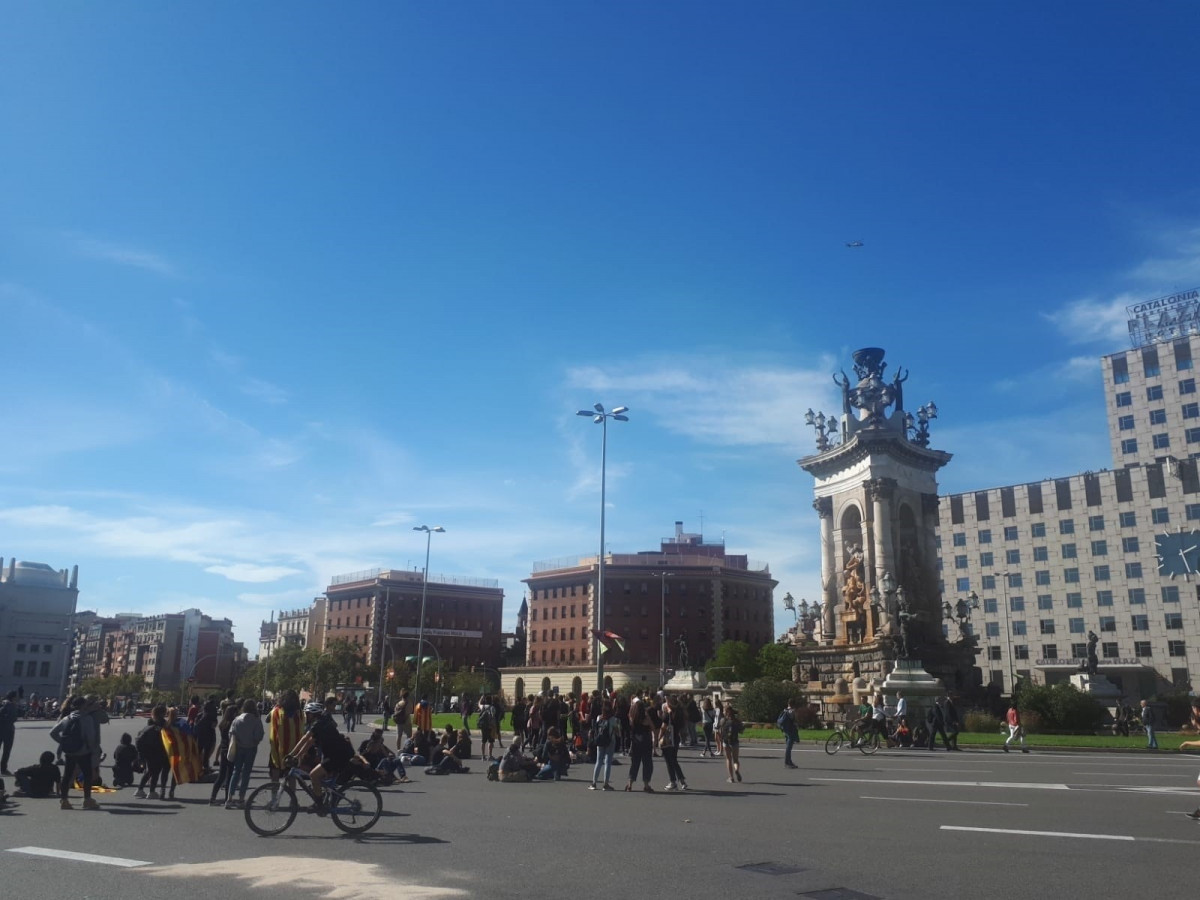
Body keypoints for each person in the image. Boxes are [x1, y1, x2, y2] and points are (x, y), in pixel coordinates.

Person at [286, 699, 356, 812]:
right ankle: (329, 796)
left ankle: (319, 805)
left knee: (314, 775)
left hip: (338, 756)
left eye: (307, 714)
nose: (306, 716)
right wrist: (298, 755)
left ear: (313, 714)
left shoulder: (318, 724)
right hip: (334, 754)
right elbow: (310, 742)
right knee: (319, 778)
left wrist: (291, 754)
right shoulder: (320, 723)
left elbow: (305, 738)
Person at [51, 695, 101, 810]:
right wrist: (92, 749)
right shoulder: (87, 718)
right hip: (83, 751)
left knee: (67, 775)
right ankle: (87, 800)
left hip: (69, 751)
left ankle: (64, 800)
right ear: (84, 705)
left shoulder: (67, 718)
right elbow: (91, 737)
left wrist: (62, 742)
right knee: (87, 775)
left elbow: (52, 732)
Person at [226, 698, 265, 809]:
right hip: (251, 748)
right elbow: (259, 736)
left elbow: (231, 734)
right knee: (246, 774)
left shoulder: (237, 719)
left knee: (236, 771)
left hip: (239, 747)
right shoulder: (256, 720)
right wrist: (254, 741)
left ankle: (229, 798)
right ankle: (241, 798)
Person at [268, 691, 305, 783]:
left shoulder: (276, 711)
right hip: (294, 748)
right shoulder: (300, 713)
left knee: (275, 771)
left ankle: (274, 795)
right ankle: (292, 795)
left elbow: (268, 721)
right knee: (291, 775)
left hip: (278, 747)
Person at [135, 705, 171, 799]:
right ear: (162, 713)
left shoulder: (150, 724)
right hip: (158, 752)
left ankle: (140, 789)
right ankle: (152, 791)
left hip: (148, 752)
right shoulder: (163, 724)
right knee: (156, 772)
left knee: (150, 771)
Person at [209, 703, 239, 805]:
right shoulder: (233, 724)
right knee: (230, 775)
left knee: (221, 775)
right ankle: (227, 798)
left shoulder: (223, 724)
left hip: (223, 750)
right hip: (231, 750)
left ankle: (213, 798)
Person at [625, 698, 656, 792]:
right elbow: (653, 728)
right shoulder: (646, 718)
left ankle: (630, 784)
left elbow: (629, 716)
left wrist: (632, 708)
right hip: (646, 741)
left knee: (635, 763)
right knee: (647, 763)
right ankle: (646, 785)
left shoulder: (632, 718)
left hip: (635, 742)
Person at [588, 700, 617, 791]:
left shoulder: (598, 717)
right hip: (610, 741)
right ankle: (606, 784)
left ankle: (594, 783)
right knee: (607, 762)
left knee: (599, 761)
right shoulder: (613, 719)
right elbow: (617, 731)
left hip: (600, 741)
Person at [659, 707, 688, 791]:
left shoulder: (668, 716)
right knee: (674, 760)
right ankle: (682, 780)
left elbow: (663, 727)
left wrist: (659, 738)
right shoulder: (679, 715)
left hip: (668, 739)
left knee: (669, 761)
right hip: (675, 738)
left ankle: (673, 781)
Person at [720, 703, 744, 784]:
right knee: (735, 759)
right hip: (734, 741)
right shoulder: (736, 721)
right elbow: (742, 731)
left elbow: (720, 729)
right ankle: (736, 769)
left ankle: (731, 777)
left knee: (728, 759)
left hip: (726, 742)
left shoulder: (723, 720)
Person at [0, 690, 18, 775]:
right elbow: (14, 718)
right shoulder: (11, 705)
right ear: (13, 697)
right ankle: (3, 769)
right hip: (8, 730)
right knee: (6, 751)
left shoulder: (2, 702)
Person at [778, 701, 800, 769]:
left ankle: (789, 761)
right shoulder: (792, 711)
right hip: (790, 730)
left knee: (788, 747)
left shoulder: (785, 710)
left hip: (785, 730)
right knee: (789, 748)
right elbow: (795, 721)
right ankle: (787, 762)